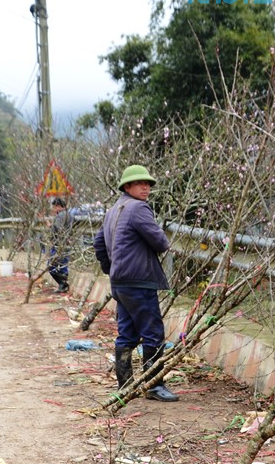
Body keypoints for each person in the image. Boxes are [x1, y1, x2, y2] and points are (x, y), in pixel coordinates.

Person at [93, 165, 179, 402]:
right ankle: (154, 385)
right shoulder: (139, 208)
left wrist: (110, 269)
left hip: (120, 283)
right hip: (139, 281)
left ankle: (125, 385)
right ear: (127, 186)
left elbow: (99, 243)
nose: (146, 188)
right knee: (153, 334)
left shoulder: (113, 210)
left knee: (127, 334)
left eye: (149, 184)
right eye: (141, 183)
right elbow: (161, 243)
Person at [48, 198, 72, 293]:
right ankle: (63, 285)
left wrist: (51, 226)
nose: (53, 209)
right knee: (63, 266)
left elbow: (59, 230)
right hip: (67, 244)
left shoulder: (60, 216)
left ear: (58, 206)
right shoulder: (69, 215)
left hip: (59, 244)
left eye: (54, 207)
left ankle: (63, 284)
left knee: (51, 267)